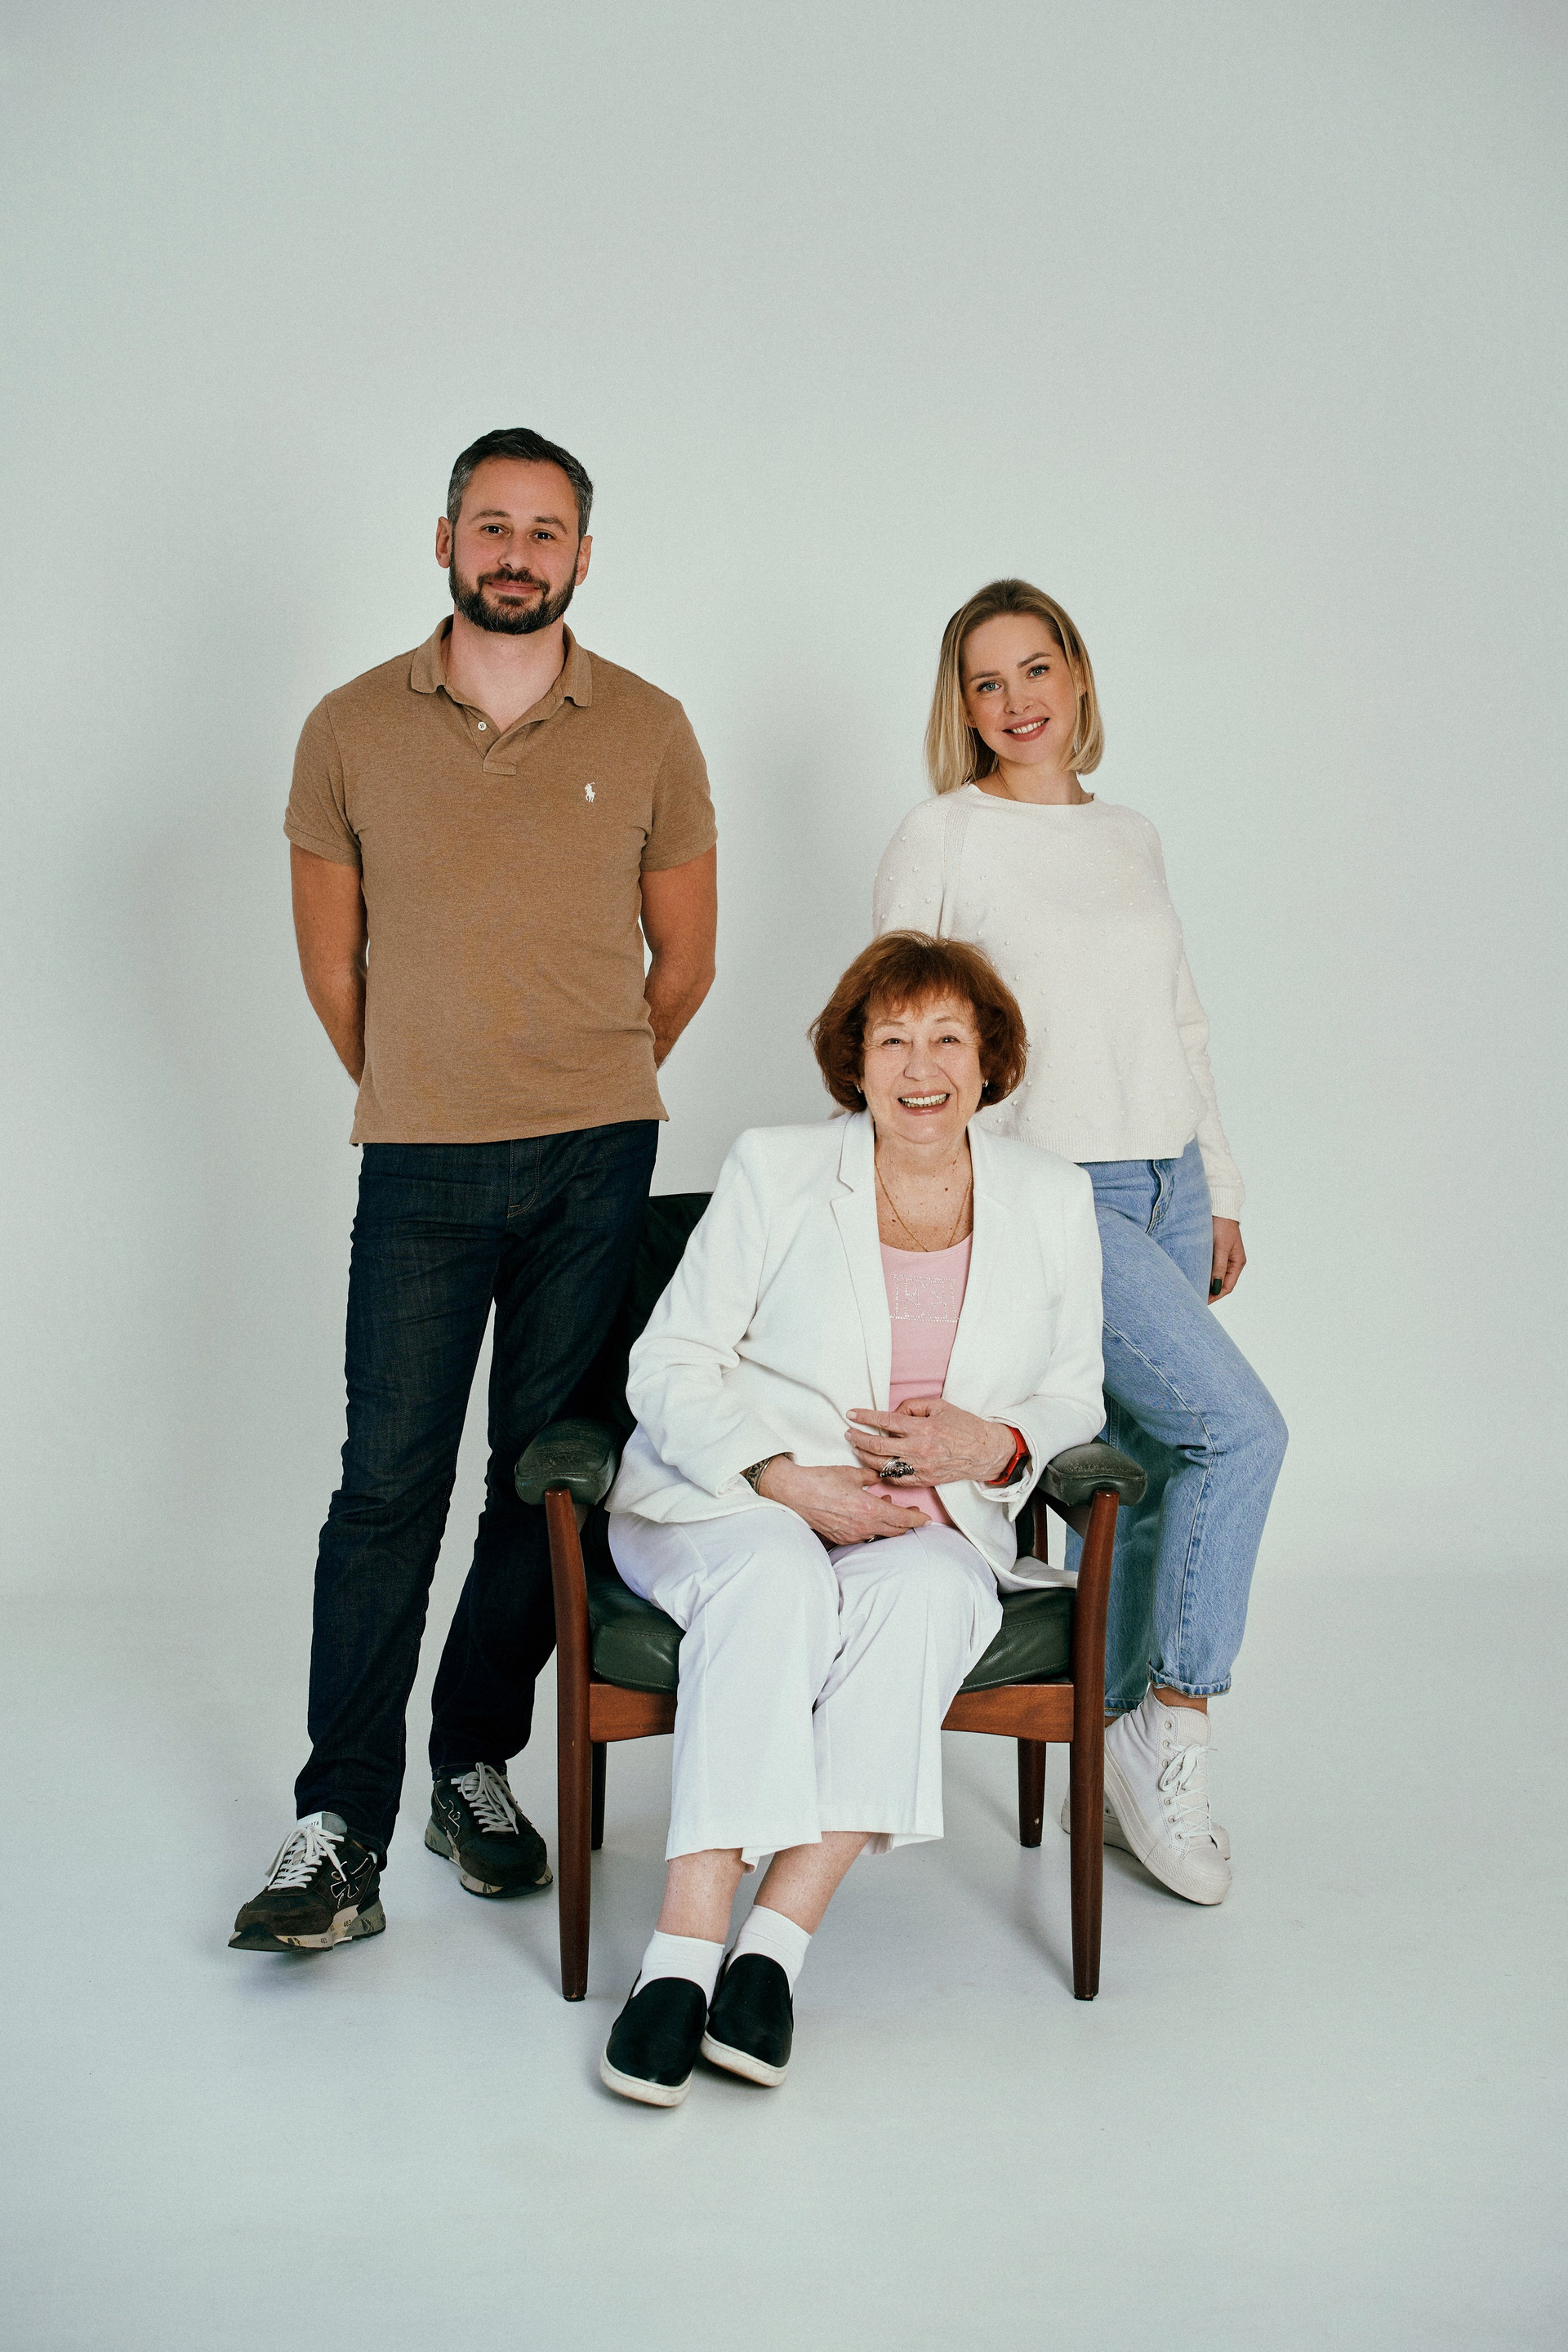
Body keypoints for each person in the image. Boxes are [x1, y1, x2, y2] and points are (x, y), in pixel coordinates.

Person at [229, 427, 718, 1954]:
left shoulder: (649, 727)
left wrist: (586, 1080)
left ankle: (472, 1767)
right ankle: (338, 1827)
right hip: (422, 1161)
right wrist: (432, 1085)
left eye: (545, 530)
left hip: (596, 1157)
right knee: (387, 1487)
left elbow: (685, 959)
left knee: (543, 1479)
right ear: (444, 541)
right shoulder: (348, 728)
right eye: (491, 525)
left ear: (584, 556)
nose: (517, 552)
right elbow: (333, 967)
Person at [595, 933, 1104, 2105]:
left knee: (929, 1598)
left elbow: (1074, 1389)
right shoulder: (776, 1169)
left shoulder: (1051, 1196)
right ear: (855, 1062)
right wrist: (783, 1477)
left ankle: (773, 1947)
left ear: (989, 1060)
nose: (921, 1068)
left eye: (948, 1039)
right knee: (775, 1578)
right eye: (893, 1040)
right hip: (728, 1499)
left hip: (923, 1524)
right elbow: (668, 1363)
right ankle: (681, 1953)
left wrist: (997, 1445)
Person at [873, 577, 1287, 1910]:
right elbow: (905, 1035)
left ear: (1079, 675)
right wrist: (957, 1201)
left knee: (1158, 1467)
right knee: (1241, 1432)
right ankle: (1178, 1725)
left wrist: (1219, 1185)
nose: (1017, 702)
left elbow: (1180, 1023)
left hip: (1168, 1179)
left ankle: (1105, 1748)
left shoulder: (1130, 834)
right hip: (1054, 1190)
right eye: (986, 682)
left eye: (1036, 669)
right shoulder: (943, 834)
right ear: (962, 706)